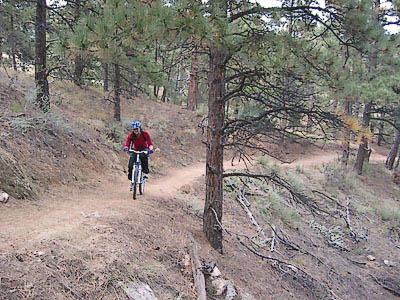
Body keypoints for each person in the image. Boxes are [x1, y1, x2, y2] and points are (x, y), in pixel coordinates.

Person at [123, 120, 154, 189]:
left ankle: (145, 173)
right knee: (130, 164)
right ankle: (132, 180)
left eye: (137, 129)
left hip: (144, 149)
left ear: (139, 128)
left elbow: (150, 143)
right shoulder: (131, 135)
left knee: (144, 157)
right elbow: (128, 142)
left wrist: (150, 149)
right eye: (134, 129)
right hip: (135, 150)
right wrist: (126, 147)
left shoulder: (145, 134)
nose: (135, 131)